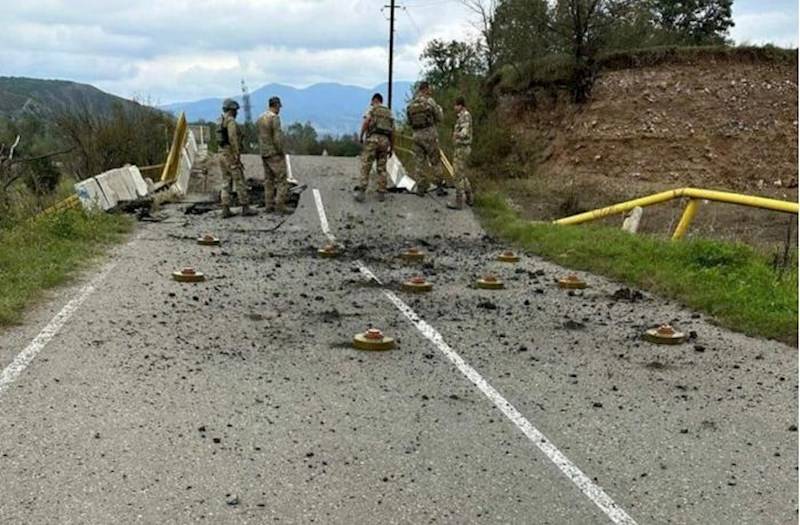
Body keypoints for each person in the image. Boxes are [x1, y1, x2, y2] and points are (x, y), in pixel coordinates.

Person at [218, 99, 257, 218]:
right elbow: (233, 138)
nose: (237, 113)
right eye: (235, 110)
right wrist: (237, 154)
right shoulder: (230, 122)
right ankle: (245, 207)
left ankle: (225, 208)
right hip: (230, 154)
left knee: (226, 181)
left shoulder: (220, 120)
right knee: (239, 180)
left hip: (221, 154)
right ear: (232, 110)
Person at [406, 81, 444, 197]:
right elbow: (439, 118)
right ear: (426, 89)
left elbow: (409, 122)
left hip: (417, 136)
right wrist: (440, 110)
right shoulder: (430, 101)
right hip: (429, 135)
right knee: (435, 161)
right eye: (429, 89)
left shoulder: (412, 104)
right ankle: (439, 187)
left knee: (419, 162)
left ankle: (421, 188)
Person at [356, 93, 394, 203]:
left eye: (372, 101)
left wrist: (361, 136)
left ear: (374, 100)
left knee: (366, 165)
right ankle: (381, 192)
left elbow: (366, 122)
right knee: (382, 167)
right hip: (385, 142)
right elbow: (393, 132)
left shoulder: (372, 110)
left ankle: (362, 190)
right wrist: (392, 147)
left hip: (373, 140)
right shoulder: (389, 113)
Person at [257, 97, 289, 213]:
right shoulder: (274, 118)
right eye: (279, 106)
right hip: (274, 153)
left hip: (264, 152)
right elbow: (277, 137)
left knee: (268, 180)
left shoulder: (260, 118)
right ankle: (280, 205)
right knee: (281, 179)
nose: (279, 109)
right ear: (276, 105)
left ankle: (268, 205)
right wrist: (281, 151)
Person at [448, 96, 475, 209]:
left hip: (462, 149)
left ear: (460, 105)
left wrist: (456, 135)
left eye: (456, 105)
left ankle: (459, 201)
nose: (454, 107)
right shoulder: (462, 116)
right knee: (462, 174)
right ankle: (469, 197)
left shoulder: (465, 116)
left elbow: (464, 132)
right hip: (462, 148)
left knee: (457, 175)